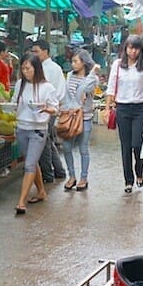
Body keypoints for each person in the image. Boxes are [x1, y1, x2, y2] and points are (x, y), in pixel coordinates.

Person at [105, 35, 143, 193]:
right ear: (125, 49)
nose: (133, 51)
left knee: (137, 144)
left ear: (140, 50)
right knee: (125, 146)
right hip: (123, 108)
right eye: (130, 48)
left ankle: (139, 171)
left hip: (140, 109)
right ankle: (128, 180)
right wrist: (107, 108)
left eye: (136, 48)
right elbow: (111, 87)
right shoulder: (118, 65)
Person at [12, 54, 59, 215]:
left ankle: (21, 201)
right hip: (21, 128)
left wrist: (46, 108)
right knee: (31, 162)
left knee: (29, 165)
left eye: (28, 69)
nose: (25, 72)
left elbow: (55, 109)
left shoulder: (47, 87)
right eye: (23, 69)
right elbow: (14, 103)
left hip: (38, 129)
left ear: (36, 68)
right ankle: (41, 191)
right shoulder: (20, 85)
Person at [60, 49, 99, 191]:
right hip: (70, 117)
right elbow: (67, 95)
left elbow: (85, 89)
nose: (73, 64)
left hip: (85, 117)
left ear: (84, 62)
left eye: (76, 61)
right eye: (72, 61)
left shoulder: (92, 78)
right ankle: (71, 176)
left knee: (83, 148)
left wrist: (92, 73)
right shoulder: (69, 75)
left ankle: (83, 178)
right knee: (66, 146)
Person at [30, 39, 67, 184]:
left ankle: (48, 174)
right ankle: (59, 171)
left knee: (43, 141)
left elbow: (55, 92)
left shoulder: (50, 69)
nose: (34, 54)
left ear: (45, 51)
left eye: (36, 51)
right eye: (33, 51)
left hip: (47, 110)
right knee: (47, 140)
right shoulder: (48, 68)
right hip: (46, 109)